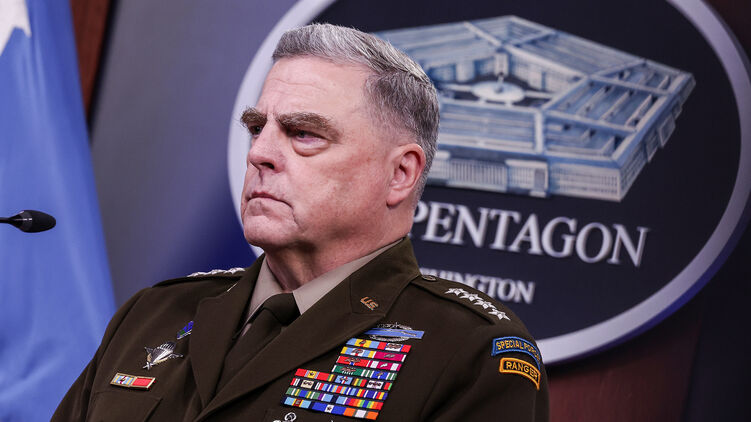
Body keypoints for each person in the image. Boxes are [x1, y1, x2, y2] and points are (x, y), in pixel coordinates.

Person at [53, 23, 549, 421]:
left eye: (304, 133)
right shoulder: (152, 314)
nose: (260, 153)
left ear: (400, 174)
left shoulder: (469, 352)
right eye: (257, 128)